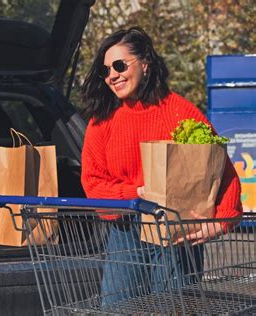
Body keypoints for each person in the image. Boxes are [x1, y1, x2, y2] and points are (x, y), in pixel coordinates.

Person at [80, 26, 243, 309]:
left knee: (174, 310)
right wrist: (138, 193)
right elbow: (93, 183)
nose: (112, 76)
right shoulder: (102, 120)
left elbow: (222, 171)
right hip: (124, 229)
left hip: (175, 231)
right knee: (118, 309)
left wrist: (222, 220)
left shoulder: (180, 112)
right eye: (105, 71)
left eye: (119, 65)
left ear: (145, 63)